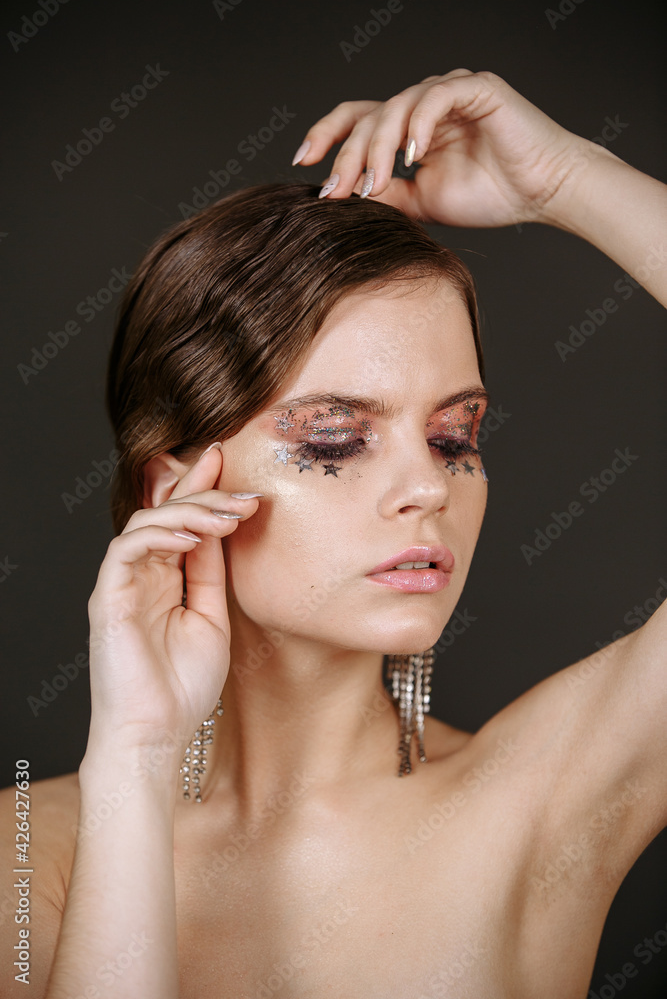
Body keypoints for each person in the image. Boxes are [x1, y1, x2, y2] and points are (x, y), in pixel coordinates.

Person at [1, 69, 665, 999]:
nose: (426, 486)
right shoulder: (26, 854)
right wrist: (137, 760)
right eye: (335, 440)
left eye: (454, 437)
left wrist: (564, 180)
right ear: (176, 492)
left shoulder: (548, 794)